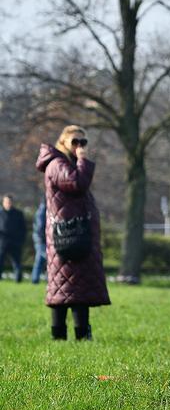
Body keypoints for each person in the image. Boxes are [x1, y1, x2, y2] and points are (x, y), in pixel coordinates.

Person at [35, 125, 110, 340]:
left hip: (75, 233)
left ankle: (81, 334)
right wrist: (83, 160)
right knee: (63, 287)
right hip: (66, 236)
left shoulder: (67, 163)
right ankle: (60, 336)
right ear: (63, 142)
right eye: (75, 142)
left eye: (83, 142)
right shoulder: (57, 164)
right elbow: (77, 184)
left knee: (76, 286)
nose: (79, 146)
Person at [0, 195, 27, 282]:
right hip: (2, 242)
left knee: (17, 262)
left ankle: (18, 279)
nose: (8, 204)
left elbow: (23, 229)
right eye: (6, 202)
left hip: (15, 242)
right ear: (3, 203)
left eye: (10, 202)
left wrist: (20, 240)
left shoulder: (18, 214)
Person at [30, 199, 46, 284]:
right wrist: (43, 238)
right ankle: (35, 279)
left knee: (39, 259)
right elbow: (40, 226)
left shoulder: (41, 209)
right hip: (41, 239)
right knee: (42, 259)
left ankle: (35, 279)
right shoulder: (43, 210)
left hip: (40, 238)